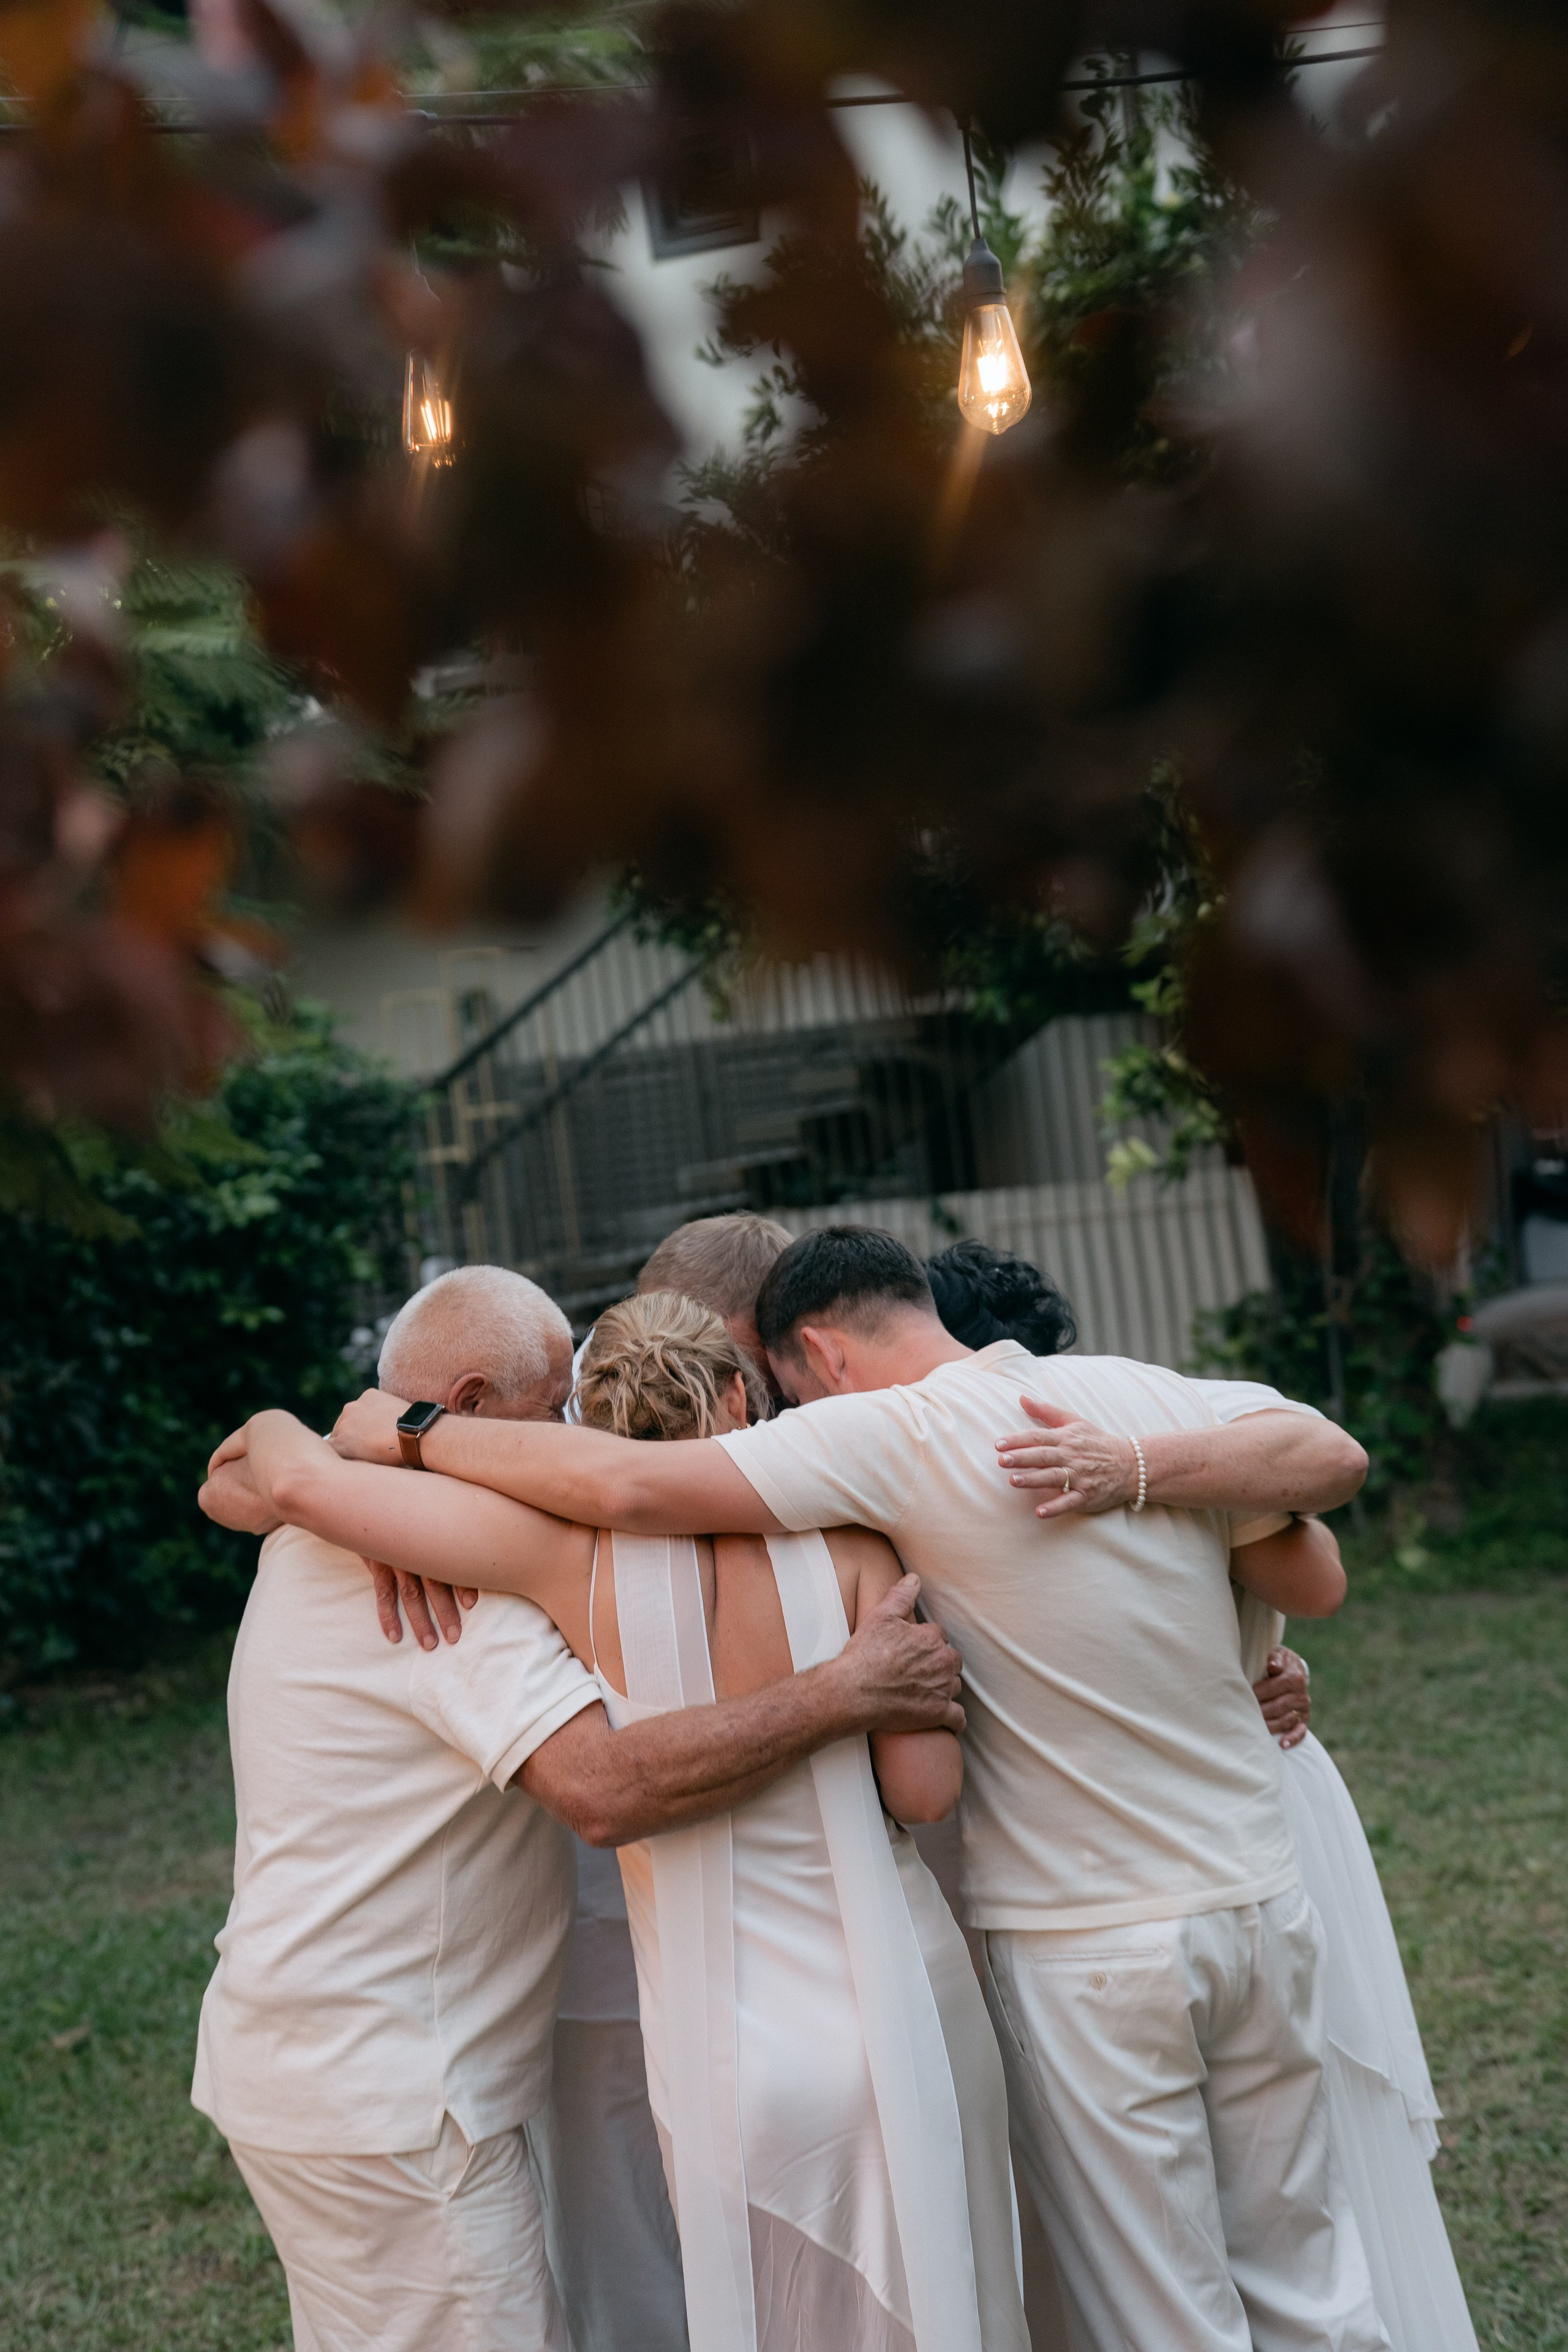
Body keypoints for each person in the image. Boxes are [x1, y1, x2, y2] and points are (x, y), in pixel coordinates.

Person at [330, 1226, 1390, 2352]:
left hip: (1084, 1946)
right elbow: (1327, 1463)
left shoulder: (880, 1441)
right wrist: (1141, 1470)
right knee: (1311, 2280)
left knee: (1163, 2314)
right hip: (1257, 1904)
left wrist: (395, 1432)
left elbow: (628, 1484)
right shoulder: (1128, 1391)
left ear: (819, 1357)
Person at [217, 1287, 1029, 2352]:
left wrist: (303, 1437)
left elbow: (259, 1473)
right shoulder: (850, 1541)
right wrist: (845, 1690)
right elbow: (619, 1789)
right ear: (744, 1389)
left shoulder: (528, 1557)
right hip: (397, 2086)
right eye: (544, 1410)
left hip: (688, 2038)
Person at [925, 1238, 1480, 2352]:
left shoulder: (1116, 1466)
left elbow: (1306, 1562)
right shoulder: (1173, 1444)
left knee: (1224, 2211)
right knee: (1288, 2202)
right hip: (1233, 1829)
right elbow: (1310, 1579)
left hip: (1174, 1856)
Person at [551, 1210, 792, 2351]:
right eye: (756, 1363)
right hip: (602, 1903)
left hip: (779, 1900)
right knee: (621, 2216)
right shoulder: (535, 1463)